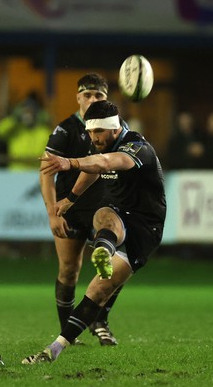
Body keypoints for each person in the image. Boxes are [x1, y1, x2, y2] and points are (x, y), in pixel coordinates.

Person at [22, 100, 166, 364]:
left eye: (98, 132)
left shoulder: (136, 146)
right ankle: (53, 350)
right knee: (102, 218)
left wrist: (70, 163)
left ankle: (105, 250)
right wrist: (71, 199)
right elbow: (93, 169)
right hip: (118, 212)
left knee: (101, 288)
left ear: (113, 130)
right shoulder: (99, 141)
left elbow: (105, 162)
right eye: (89, 132)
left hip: (146, 227)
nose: (92, 138)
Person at [39, 74, 123, 346]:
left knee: (115, 264)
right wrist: (52, 212)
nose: (92, 100)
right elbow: (45, 173)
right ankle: (68, 331)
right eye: (87, 95)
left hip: (104, 206)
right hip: (71, 208)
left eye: (98, 95)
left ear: (106, 98)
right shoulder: (65, 130)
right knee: (69, 269)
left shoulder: (117, 128)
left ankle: (101, 322)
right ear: (77, 98)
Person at [0, 94, 52, 171]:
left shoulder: (44, 132)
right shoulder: (15, 129)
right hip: (15, 173)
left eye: (31, 111)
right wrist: (14, 119)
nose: (28, 115)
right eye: (25, 111)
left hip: (36, 173)